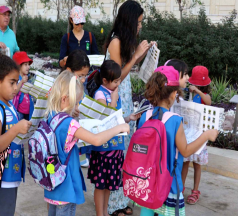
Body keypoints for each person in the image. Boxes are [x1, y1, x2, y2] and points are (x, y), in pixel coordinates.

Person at [44, 70, 130, 216]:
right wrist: (119, 128)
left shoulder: (51, 116)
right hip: (66, 186)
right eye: (76, 102)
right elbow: (96, 139)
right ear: (65, 99)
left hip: (51, 183)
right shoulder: (69, 124)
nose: (77, 107)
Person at [136, 66, 218, 216]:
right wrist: (206, 135)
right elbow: (185, 150)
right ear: (174, 94)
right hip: (169, 183)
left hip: (147, 180)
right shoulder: (174, 120)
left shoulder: (145, 116)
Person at [104, 1, 156, 215]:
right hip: (116, 101)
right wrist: (136, 55)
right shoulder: (115, 42)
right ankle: (113, 204)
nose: (140, 26)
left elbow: (127, 68)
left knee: (125, 152)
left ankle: (122, 200)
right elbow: (117, 76)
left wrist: (145, 53)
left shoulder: (123, 41)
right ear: (130, 20)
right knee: (118, 150)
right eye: (139, 22)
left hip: (124, 98)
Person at [89, 60, 140, 216]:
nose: (119, 83)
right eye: (116, 81)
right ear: (105, 80)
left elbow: (116, 120)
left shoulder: (112, 93)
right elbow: (105, 120)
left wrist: (128, 118)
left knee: (108, 185)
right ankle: (100, 213)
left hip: (116, 147)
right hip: (104, 149)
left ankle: (105, 211)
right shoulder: (100, 94)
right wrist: (113, 99)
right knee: (100, 185)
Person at [0, 51, 31, 216]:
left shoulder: (9, 105)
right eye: (12, 83)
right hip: (3, 178)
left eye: (17, 82)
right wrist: (16, 129)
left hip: (12, 175)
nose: (15, 87)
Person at [181, 66, 212, 205]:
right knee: (185, 162)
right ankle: (180, 188)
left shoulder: (204, 96)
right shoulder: (189, 94)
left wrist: (198, 91)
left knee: (197, 163)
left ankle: (195, 190)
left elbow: (209, 101)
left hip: (200, 134)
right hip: (188, 133)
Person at [12, 51, 34, 120]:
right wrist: (21, 81)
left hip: (29, 110)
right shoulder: (15, 78)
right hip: (19, 111)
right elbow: (14, 92)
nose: (28, 67)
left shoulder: (27, 77)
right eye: (25, 64)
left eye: (28, 64)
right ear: (19, 66)